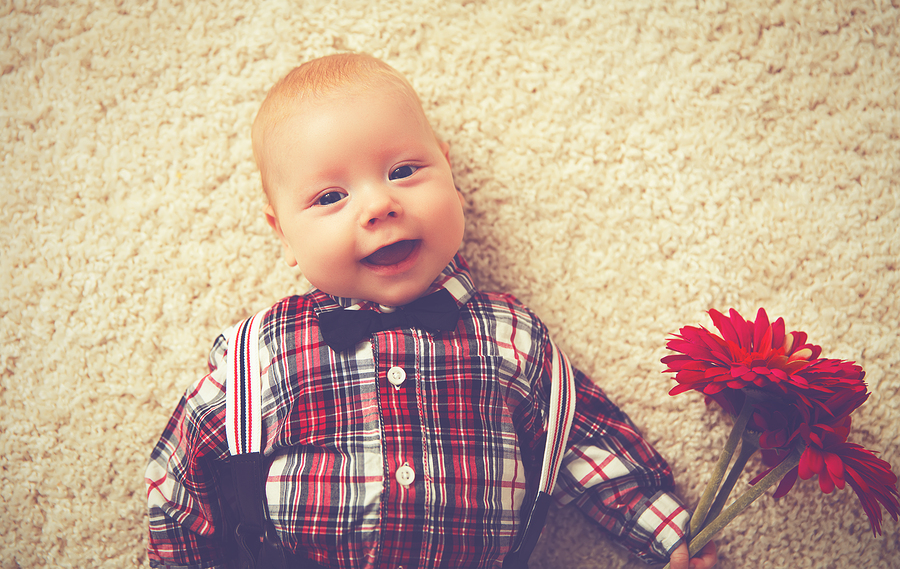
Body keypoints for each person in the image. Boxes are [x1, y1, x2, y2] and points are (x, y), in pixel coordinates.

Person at [146, 52, 717, 569]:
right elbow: (179, 473)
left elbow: (588, 444)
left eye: (403, 171)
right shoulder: (262, 352)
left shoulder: (511, 337)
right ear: (284, 236)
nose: (377, 204)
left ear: (450, 175)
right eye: (330, 197)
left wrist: (670, 536)